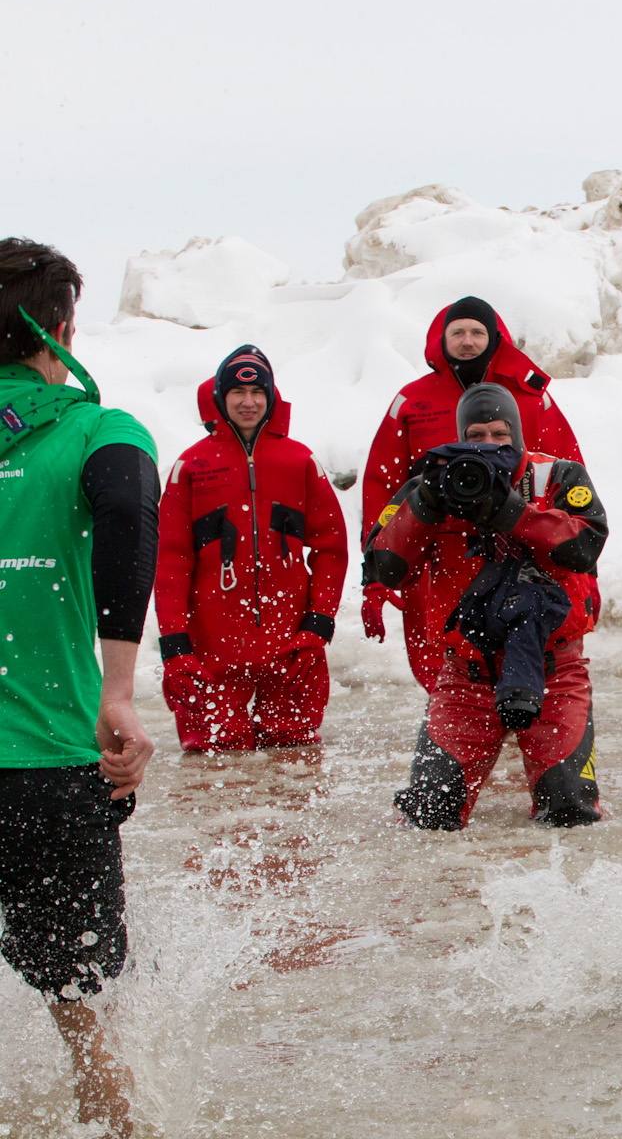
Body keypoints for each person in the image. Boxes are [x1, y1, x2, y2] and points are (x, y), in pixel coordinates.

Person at [0, 238, 158, 1137]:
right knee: (84, 1006)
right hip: (48, 767)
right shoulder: (98, 430)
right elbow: (130, 510)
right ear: (59, 331)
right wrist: (121, 689)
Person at [367, 383, 609, 828]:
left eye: (499, 435)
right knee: (428, 816)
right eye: (475, 435)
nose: (488, 445)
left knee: (571, 813)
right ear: (460, 435)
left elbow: (585, 547)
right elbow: (384, 567)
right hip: (466, 675)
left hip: (553, 670)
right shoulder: (430, 486)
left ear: (516, 435)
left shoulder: (557, 476)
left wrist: (512, 512)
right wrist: (425, 504)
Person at [359, 296, 584, 688]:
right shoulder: (411, 402)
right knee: (449, 673)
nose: (467, 341)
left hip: (526, 553)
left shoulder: (529, 397)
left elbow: (573, 486)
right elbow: (382, 486)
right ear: (440, 339)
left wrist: (587, 576)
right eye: (458, 332)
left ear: (494, 337)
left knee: (535, 672)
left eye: (477, 332)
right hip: (440, 559)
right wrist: (375, 578)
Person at [155, 346, 348, 751]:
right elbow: (170, 562)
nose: (248, 402)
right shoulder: (191, 466)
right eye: (237, 393)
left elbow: (331, 548)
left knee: (296, 766)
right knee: (215, 773)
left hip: (291, 647)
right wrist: (175, 647)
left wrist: (318, 625)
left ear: (271, 397)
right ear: (220, 398)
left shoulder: (300, 461)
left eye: (258, 392)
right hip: (213, 652)